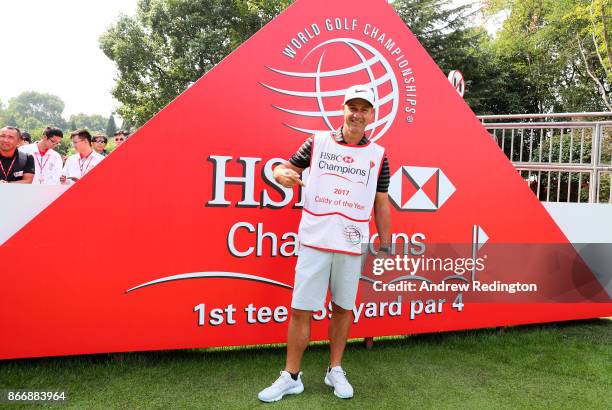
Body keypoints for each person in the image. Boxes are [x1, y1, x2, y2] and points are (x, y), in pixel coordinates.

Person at [258, 85, 392, 402]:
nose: (357, 115)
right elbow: (284, 169)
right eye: (353, 108)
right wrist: (282, 175)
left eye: (364, 109)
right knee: (302, 309)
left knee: (343, 308)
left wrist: (385, 239)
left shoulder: (379, 156)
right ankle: (291, 376)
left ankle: (335, 369)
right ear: (343, 109)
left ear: (372, 115)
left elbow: (381, 202)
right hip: (315, 239)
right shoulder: (317, 142)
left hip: (351, 242)